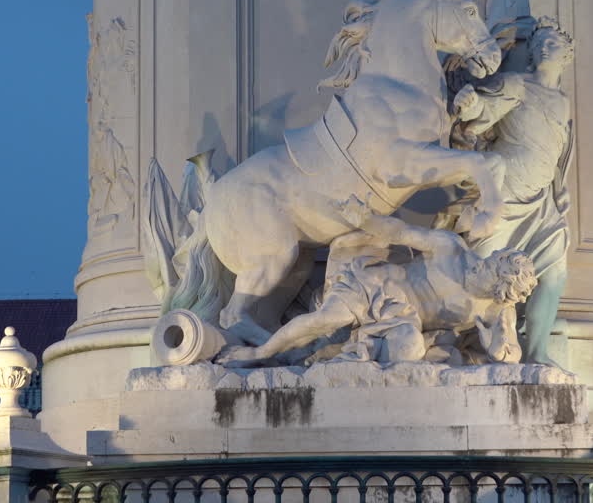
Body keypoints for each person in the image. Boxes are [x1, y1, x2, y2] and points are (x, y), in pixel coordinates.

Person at [218, 196, 536, 366]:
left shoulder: (494, 312)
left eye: (487, 272)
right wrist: (366, 219)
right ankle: (260, 354)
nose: (478, 266)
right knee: (326, 320)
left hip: (403, 322)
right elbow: (402, 233)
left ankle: (333, 360)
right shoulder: (452, 249)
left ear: (499, 291)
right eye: (489, 261)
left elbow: (510, 353)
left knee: (408, 351)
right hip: (377, 287)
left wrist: (495, 347)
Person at [444, 19, 574, 369]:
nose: (547, 47)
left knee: (554, 274)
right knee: (483, 271)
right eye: (541, 42)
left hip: (543, 202)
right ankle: (470, 343)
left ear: (567, 56)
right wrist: (470, 106)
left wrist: (561, 193)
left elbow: (561, 154)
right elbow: (483, 113)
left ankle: (537, 353)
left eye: (554, 44)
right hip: (505, 194)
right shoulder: (517, 86)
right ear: (531, 53)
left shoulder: (563, 104)